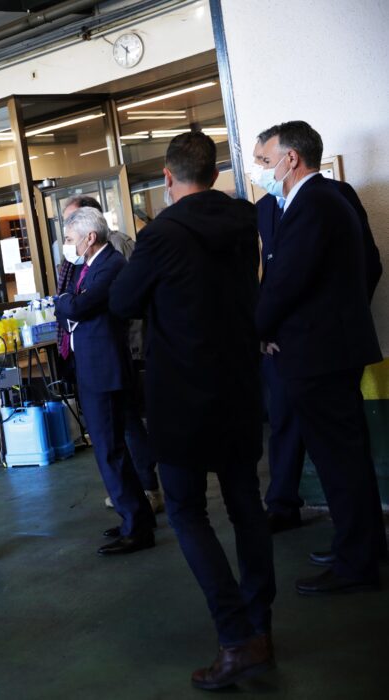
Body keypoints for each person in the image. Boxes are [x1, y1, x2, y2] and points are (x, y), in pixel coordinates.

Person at [110, 132, 275, 690]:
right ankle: (260, 627)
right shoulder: (244, 219)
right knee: (246, 503)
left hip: (181, 394)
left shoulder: (161, 234)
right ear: (214, 172)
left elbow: (122, 301)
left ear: (167, 175)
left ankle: (234, 637)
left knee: (185, 511)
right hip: (240, 386)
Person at [253, 121, 385, 594]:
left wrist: (259, 330)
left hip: (319, 353)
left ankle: (355, 563)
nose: (260, 171)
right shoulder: (321, 200)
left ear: (291, 158)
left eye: (265, 161)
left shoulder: (313, 204)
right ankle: (362, 546)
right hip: (330, 349)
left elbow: (286, 281)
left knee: (339, 461)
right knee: (346, 458)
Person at [54, 207, 156, 555]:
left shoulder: (110, 265)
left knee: (110, 449)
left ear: (90, 237)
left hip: (105, 369)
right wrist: (68, 302)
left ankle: (136, 526)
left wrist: (66, 301)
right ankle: (137, 515)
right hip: (94, 367)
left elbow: (76, 307)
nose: (66, 245)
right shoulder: (87, 266)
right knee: (112, 447)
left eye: (69, 238)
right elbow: (71, 305)